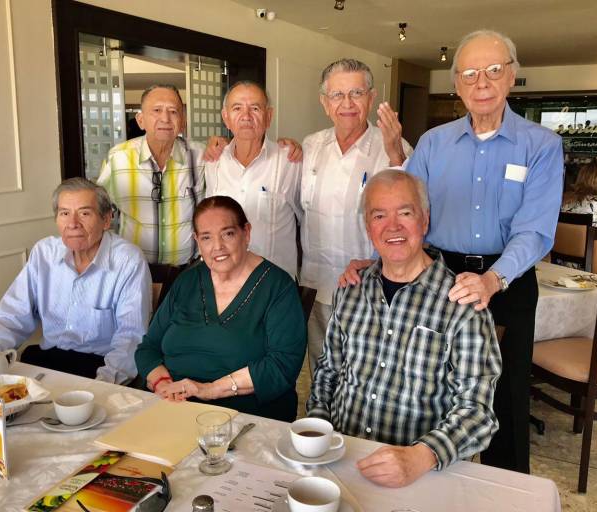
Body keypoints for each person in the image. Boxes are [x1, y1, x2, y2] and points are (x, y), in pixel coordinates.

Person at [342, 30, 564, 474]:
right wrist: (383, 260)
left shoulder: (541, 145)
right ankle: (432, 477)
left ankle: (503, 493)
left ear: (512, 75)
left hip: (507, 279)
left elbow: (535, 230)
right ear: (457, 84)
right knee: (430, 387)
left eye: (493, 70)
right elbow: (408, 212)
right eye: (470, 73)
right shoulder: (434, 143)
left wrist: (492, 280)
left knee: (505, 398)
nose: (482, 82)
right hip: (439, 277)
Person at [308, 170, 501, 488]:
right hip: (341, 460)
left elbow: (477, 413)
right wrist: (318, 431)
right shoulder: (351, 290)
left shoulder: (462, 304)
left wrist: (422, 456)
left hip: (420, 475)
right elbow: (328, 373)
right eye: (379, 215)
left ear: (425, 220)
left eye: (405, 213)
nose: (393, 226)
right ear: (368, 227)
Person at [135, 196, 306, 421]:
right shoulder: (187, 281)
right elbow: (148, 348)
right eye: (206, 237)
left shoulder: (277, 286)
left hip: (243, 415)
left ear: (246, 233)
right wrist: (163, 385)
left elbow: (282, 366)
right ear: (197, 241)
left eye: (228, 234)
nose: (217, 247)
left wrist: (208, 390)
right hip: (173, 408)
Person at [301, 58, 413, 374]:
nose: (347, 104)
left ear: (371, 97)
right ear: (325, 103)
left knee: (367, 375)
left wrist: (395, 154)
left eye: (356, 93)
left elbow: (410, 216)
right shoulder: (310, 146)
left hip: (370, 287)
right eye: (337, 95)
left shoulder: (395, 147)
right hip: (317, 284)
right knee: (322, 369)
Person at [0, 178, 152, 384]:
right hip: (47, 361)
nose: (73, 224)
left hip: (100, 367)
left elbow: (131, 338)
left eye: (84, 213)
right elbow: (11, 317)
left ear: (106, 220)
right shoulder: (44, 253)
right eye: (64, 213)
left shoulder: (128, 260)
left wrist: (102, 386)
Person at [98, 84, 206, 266]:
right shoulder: (118, 158)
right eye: (156, 110)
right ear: (141, 120)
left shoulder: (201, 156)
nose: (165, 118)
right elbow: (98, 211)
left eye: (173, 111)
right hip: (133, 268)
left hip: (188, 269)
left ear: (183, 121)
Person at [205, 81, 302, 278]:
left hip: (274, 284)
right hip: (223, 281)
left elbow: (309, 220)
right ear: (226, 117)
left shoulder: (290, 161)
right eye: (237, 108)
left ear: (269, 116)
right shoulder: (213, 161)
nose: (246, 116)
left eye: (255, 108)